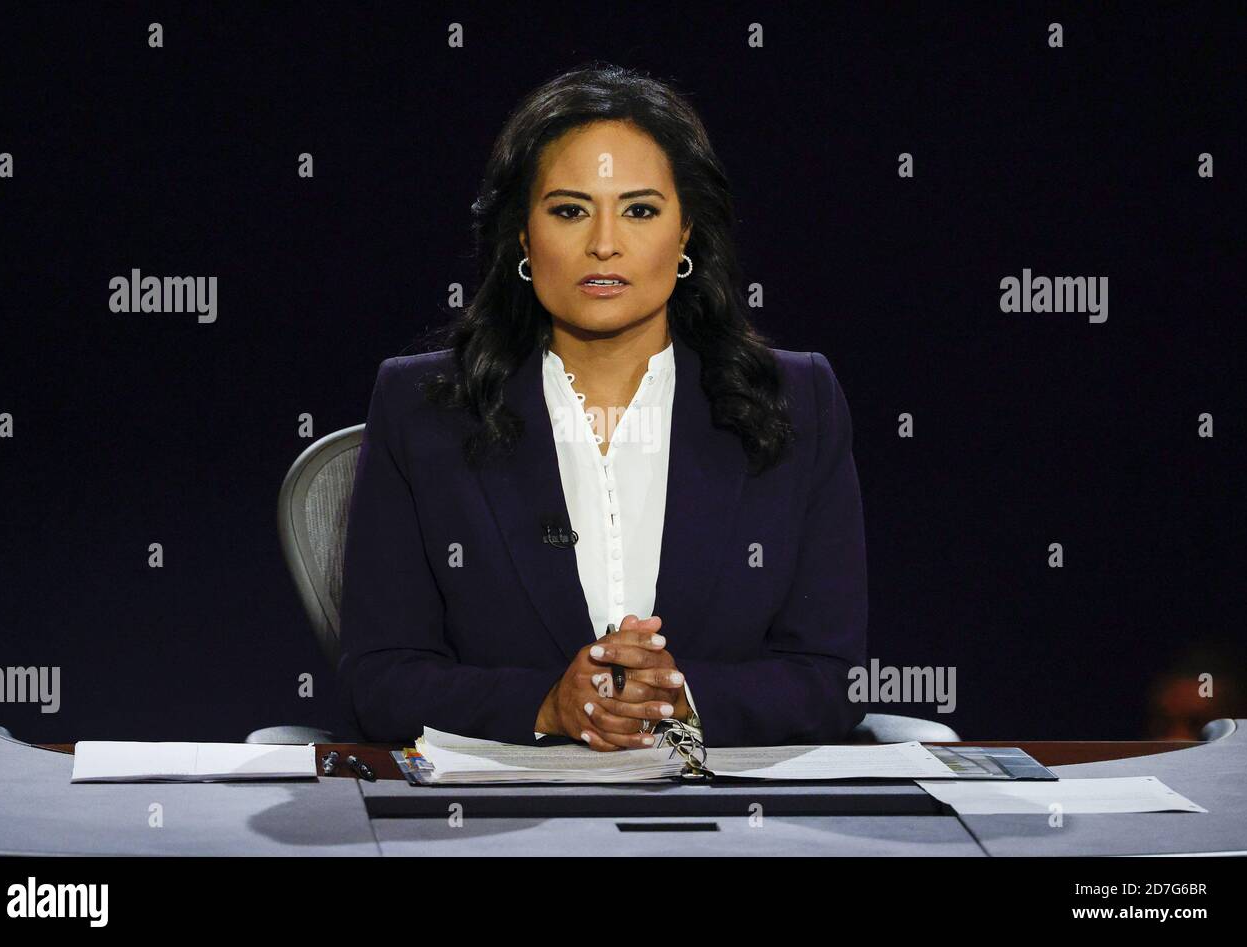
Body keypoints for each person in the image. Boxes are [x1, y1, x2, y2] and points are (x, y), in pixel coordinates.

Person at [337, 64, 868, 749]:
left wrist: (679, 695)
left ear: (686, 235)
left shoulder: (798, 403)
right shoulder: (422, 409)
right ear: (523, 237)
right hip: (496, 830)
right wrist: (548, 705)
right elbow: (378, 679)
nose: (604, 243)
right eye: (569, 210)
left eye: (641, 209)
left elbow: (829, 678)